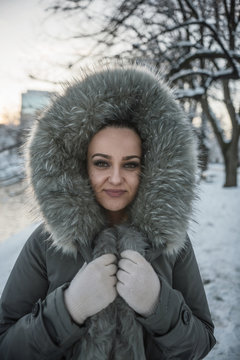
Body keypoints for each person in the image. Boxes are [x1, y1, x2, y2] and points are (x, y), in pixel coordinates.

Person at [0, 63, 216, 359]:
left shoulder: (171, 243)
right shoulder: (45, 243)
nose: (115, 178)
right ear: (81, 166)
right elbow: (6, 346)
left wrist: (158, 304)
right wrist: (69, 308)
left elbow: (201, 344)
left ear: (150, 168)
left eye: (130, 164)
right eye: (101, 163)